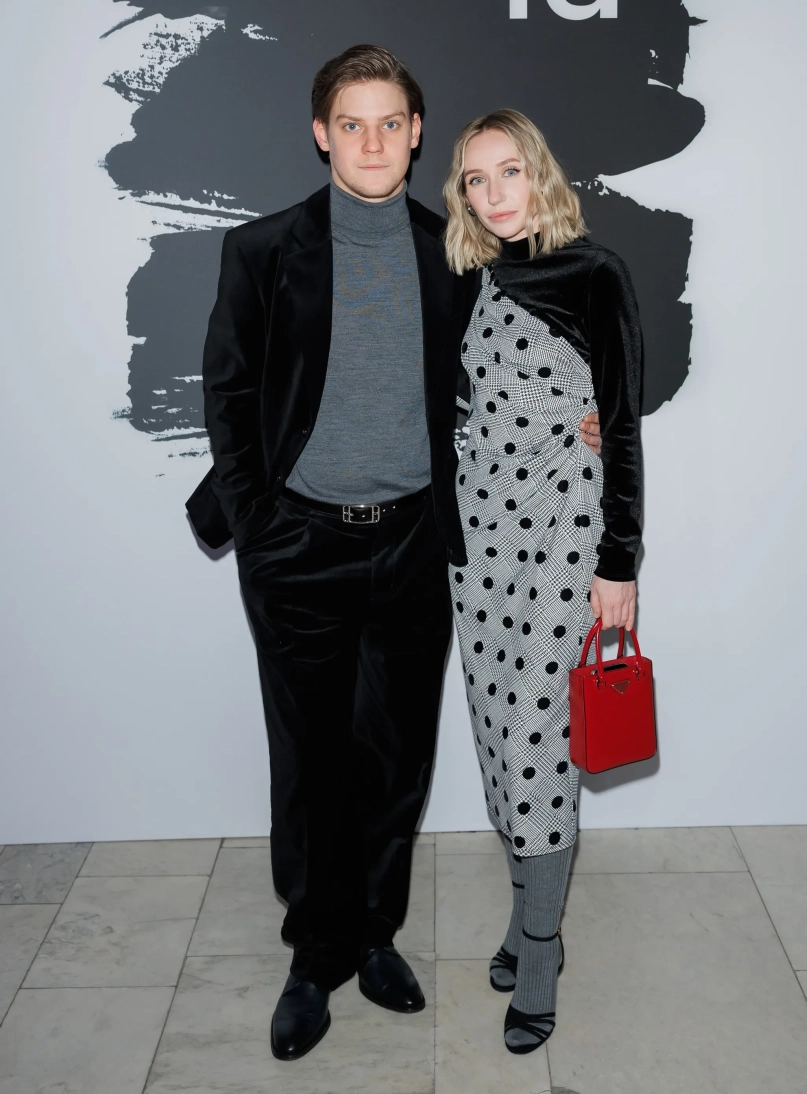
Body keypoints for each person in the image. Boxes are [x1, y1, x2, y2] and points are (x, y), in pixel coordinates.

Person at [186, 46, 601, 1061]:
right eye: (351, 123)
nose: (371, 142)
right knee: (310, 763)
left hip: (417, 544)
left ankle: (374, 935)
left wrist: (589, 409)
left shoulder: (452, 251)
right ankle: (314, 955)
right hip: (297, 550)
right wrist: (261, 527)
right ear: (321, 134)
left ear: (416, 135)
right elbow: (230, 396)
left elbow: (546, 318)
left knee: (394, 760)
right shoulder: (261, 250)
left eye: (390, 123)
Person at [443, 109, 643, 1054]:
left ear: (540, 173)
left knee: (538, 741)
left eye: (509, 172)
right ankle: (528, 918)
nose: (495, 194)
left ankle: (540, 948)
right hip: (480, 544)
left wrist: (618, 562)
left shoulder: (595, 273)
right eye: (476, 179)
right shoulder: (469, 274)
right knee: (498, 736)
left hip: (564, 535)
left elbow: (624, 423)